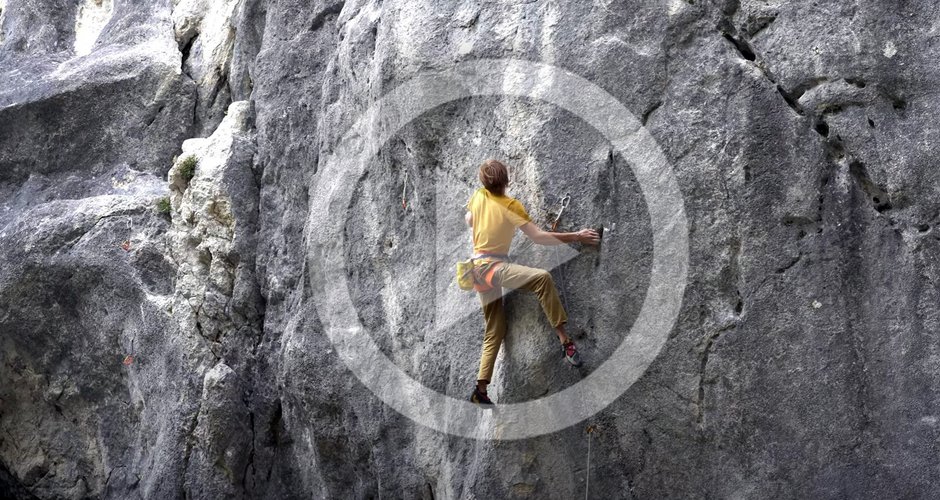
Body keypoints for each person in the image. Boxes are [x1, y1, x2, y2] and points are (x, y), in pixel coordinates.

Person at [465, 159, 600, 406]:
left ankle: (481, 388)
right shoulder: (510, 206)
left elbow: (469, 220)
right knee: (541, 278)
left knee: (495, 329)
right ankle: (565, 341)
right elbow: (539, 238)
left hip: (476, 269)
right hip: (494, 267)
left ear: (484, 183)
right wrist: (577, 236)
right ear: (507, 181)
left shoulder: (477, 197)